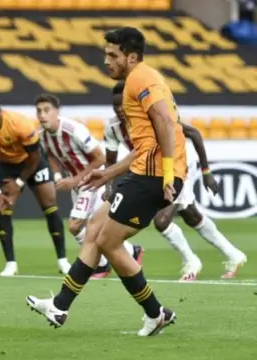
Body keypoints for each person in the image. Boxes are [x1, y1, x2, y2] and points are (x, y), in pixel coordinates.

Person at [26, 27, 187, 336]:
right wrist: (108, 173)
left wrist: (168, 174)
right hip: (143, 170)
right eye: (106, 55)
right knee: (94, 232)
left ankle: (156, 314)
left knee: (108, 242)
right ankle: (60, 306)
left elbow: (167, 124)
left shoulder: (140, 78)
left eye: (113, 55)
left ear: (132, 56)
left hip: (153, 176)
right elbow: (146, 145)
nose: (107, 61)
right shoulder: (140, 80)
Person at [105, 82, 247, 281]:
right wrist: (108, 185)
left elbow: (194, 134)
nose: (120, 110)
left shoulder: (153, 115)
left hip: (178, 164)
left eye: (124, 105)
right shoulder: (112, 127)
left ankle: (191, 262)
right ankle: (234, 255)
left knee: (162, 221)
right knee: (191, 216)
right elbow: (110, 160)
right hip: (154, 170)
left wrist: (206, 172)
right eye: (115, 106)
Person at [35, 93, 143, 279]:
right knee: (96, 225)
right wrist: (59, 174)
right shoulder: (43, 135)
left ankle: (101, 265)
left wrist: (75, 180)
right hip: (77, 182)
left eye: (47, 110)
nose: (42, 115)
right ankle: (131, 250)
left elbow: (100, 157)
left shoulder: (73, 130)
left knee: (75, 226)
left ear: (56, 112)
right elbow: (51, 154)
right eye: (39, 111)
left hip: (92, 180)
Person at [0, 95, 70, 276]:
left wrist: (19, 182)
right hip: (8, 166)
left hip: (33, 162)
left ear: (0, 112)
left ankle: (63, 261)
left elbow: (35, 156)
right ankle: (11, 264)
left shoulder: (19, 123)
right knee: (4, 209)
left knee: (50, 204)